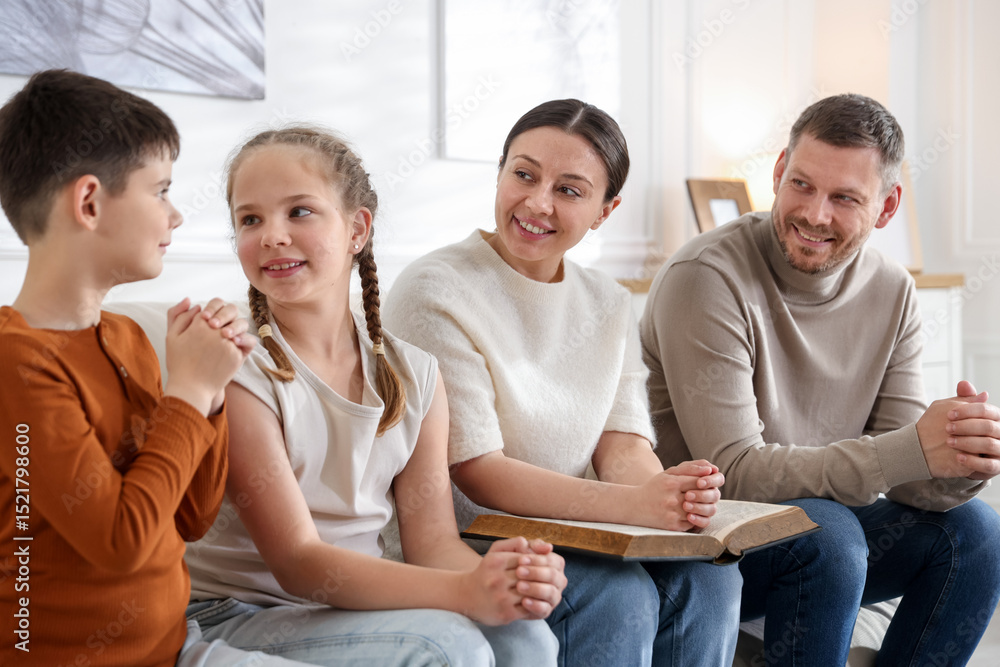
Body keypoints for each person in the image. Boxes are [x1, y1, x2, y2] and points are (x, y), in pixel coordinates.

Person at [182, 126, 566, 666]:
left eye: (299, 212)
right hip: (238, 613)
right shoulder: (241, 366)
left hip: (346, 608)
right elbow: (296, 561)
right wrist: (465, 593)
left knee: (529, 639)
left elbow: (430, 544)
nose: (271, 235)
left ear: (357, 229)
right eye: (250, 219)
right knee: (446, 646)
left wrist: (496, 577)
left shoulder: (416, 375)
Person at [640, 93, 1000, 664]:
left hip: (829, 540)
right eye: (802, 185)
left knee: (977, 532)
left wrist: (961, 462)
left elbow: (909, 481)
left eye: (844, 198)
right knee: (829, 530)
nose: (814, 214)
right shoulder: (705, 277)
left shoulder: (893, 291)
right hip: (709, 545)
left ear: (886, 207)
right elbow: (733, 474)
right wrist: (908, 451)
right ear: (780, 171)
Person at [384, 98, 742, 666]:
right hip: (468, 537)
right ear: (499, 173)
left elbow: (622, 445)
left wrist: (672, 503)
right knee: (617, 595)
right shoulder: (434, 290)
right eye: (523, 174)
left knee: (710, 579)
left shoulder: (607, 301)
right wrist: (637, 508)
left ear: (605, 210)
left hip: (581, 530)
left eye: (570, 190)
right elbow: (477, 472)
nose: (537, 202)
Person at [0, 69, 265, 666]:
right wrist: (190, 391)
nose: (175, 216)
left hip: (174, 646)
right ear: (89, 202)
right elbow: (120, 543)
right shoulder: (15, 361)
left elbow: (193, 516)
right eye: (161, 190)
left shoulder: (124, 337)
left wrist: (212, 390)